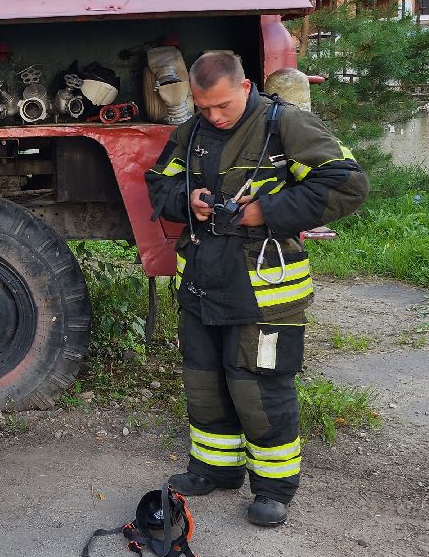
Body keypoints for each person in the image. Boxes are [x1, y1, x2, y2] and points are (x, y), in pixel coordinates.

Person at [145, 51, 367, 527]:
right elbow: (157, 185)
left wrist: (266, 210)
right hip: (203, 280)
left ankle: (273, 489)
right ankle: (215, 470)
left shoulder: (285, 125)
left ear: (245, 88)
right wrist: (191, 201)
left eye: (222, 105)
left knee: (259, 388)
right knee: (204, 382)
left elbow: (347, 185)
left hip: (264, 286)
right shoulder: (192, 132)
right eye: (204, 107)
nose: (214, 116)